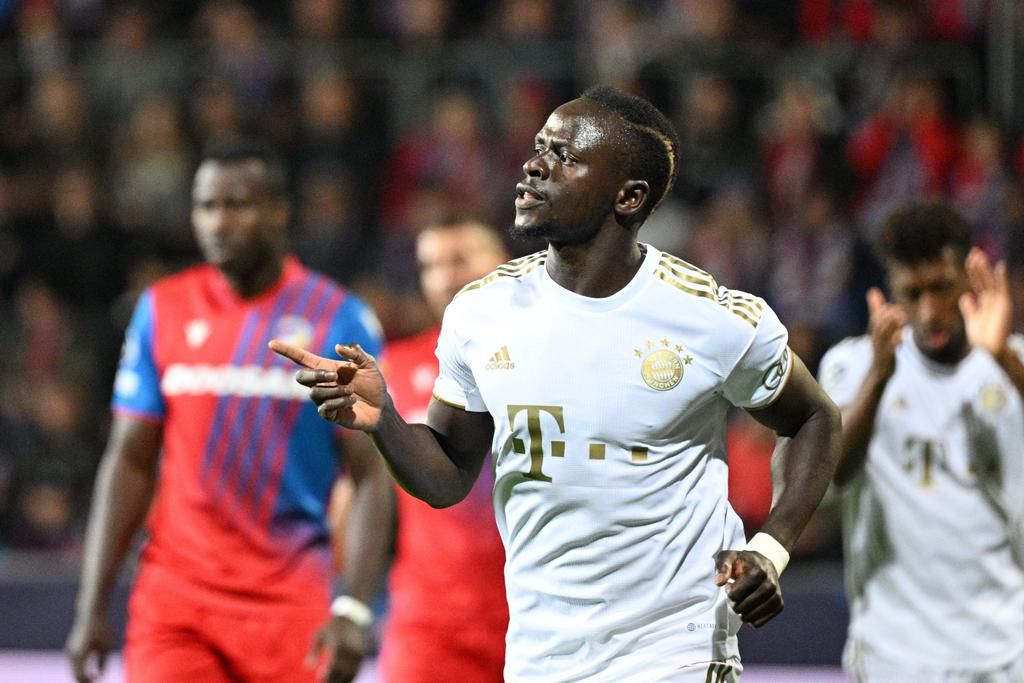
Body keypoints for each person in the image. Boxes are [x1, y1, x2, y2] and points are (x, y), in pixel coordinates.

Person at [272, 86, 842, 682]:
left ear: (629, 196)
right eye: (540, 147)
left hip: (676, 647)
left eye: (566, 156)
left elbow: (814, 417)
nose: (534, 165)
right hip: (541, 654)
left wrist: (771, 546)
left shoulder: (708, 316)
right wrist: (385, 420)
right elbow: (447, 474)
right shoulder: (482, 313)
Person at [66, 139, 391, 683]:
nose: (218, 223)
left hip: (289, 605)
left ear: (279, 212)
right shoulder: (161, 310)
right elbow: (129, 461)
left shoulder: (338, 319)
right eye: (206, 206)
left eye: (237, 205)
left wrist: (355, 607)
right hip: (176, 604)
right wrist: (91, 605)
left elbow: (370, 476)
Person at [818, 204, 1024, 682]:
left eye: (941, 288)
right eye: (913, 293)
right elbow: (828, 476)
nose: (930, 312)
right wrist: (878, 378)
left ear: (970, 278)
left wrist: (1002, 361)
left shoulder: (1013, 362)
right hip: (895, 654)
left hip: (1005, 647)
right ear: (890, 292)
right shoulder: (854, 367)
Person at [376, 218, 510, 682]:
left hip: (536, 619)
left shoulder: (552, 363)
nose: (446, 277)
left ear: (504, 265)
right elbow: (368, 493)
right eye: (431, 265)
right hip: (427, 628)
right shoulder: (393, 370)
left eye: (460, 259)